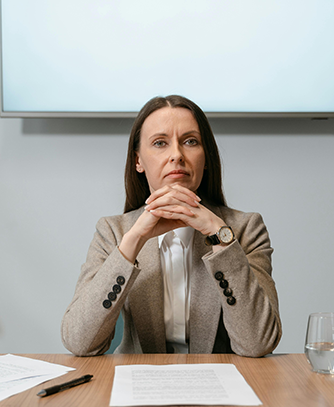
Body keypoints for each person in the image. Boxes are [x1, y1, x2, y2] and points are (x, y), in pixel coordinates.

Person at [61, 95, 281, 357]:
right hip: (139, 385)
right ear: (138, 161)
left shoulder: (245, 228)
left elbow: (258, 343)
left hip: (219, 387)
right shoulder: (113, 230)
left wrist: (222, 239)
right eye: (160, 143)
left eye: (190, 141)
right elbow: (78, 342)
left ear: (206, 157)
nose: (176, 155)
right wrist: (134, 240)